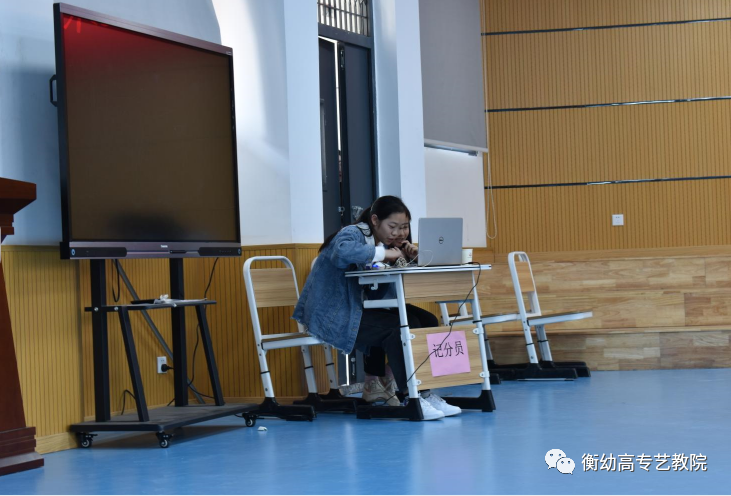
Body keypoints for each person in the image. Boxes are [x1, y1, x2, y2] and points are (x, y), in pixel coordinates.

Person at [293, 195, 460, 420]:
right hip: (334, 314)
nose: (399, 233)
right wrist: (384, 254)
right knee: (397, 328)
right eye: (393, 226)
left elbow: (375, 293)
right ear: (374, 220)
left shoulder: (382, 244)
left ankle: (424, 393)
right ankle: (412, 396)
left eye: (404, 227)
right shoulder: (354, 233)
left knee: (426, 320)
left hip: (358, 307)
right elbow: (341, 252)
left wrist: (404, 258)